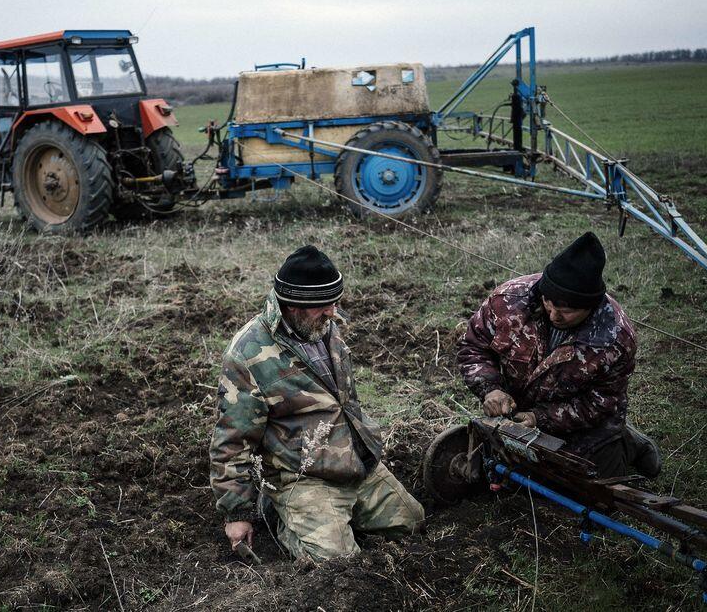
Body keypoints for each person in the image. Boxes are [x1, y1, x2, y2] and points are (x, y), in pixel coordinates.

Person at [209, 245, 425, 561]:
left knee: (412, 523)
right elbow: (231, 440)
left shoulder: (321, 324)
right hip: (304, 476)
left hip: (354, 463)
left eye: (334, 301)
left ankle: (341, 515)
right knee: (338, 561)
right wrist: (236, 513)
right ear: (293, 306)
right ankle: (280, 516)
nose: (332, 311)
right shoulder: (248, 353)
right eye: (323, 305)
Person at [457, 231, 661, 478]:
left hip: (579, 423)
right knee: (511, 476)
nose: (554, 315)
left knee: (587, 487)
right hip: (518, 412)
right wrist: (491, 388)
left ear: (590, 306)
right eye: (549, 302)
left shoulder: (616, 339)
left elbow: (600, 403)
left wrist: (539, 418)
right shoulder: (508, 301)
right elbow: (473, 347)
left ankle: (627, 442)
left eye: (567, 310)